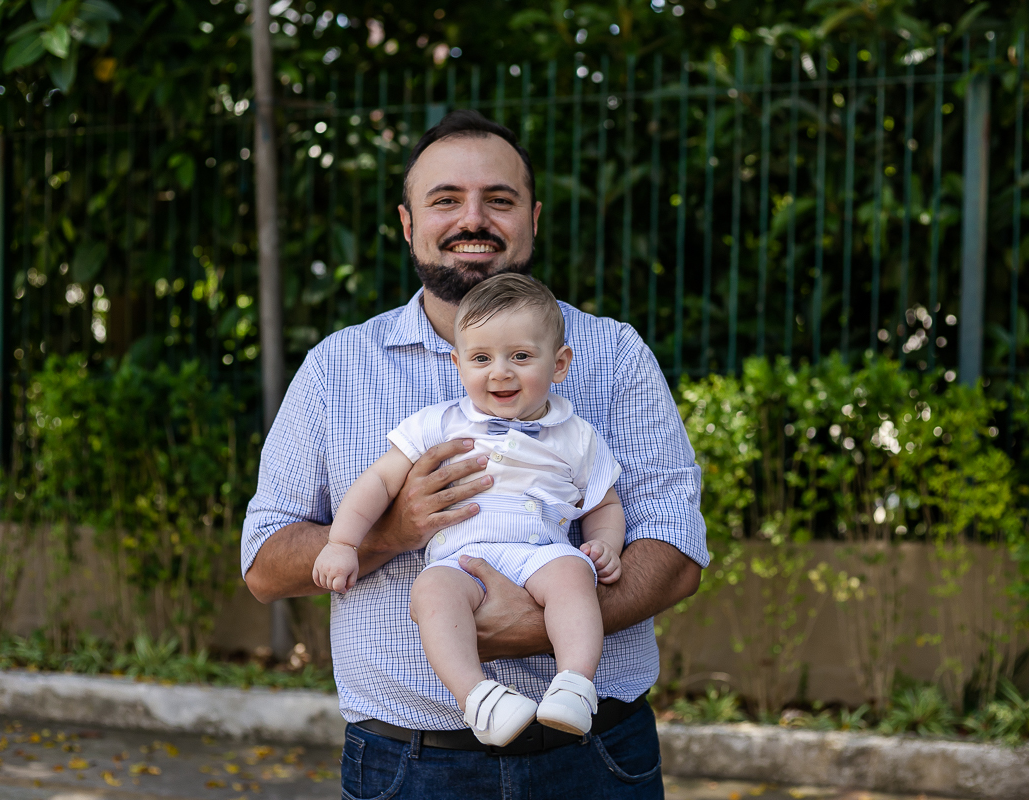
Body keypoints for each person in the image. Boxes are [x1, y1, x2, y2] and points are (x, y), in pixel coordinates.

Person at [242, 109, 707, 800]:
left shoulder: (613, 354)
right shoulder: (337, 367)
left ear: (533, 219)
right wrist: (394, 529)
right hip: (408, 765)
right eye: (445, 200)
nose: (473, 219)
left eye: (499, 199)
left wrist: (537, 625)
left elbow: (677, 550)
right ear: (407, 224)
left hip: (598, 756)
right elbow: (263, 565)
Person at [313, 274, 627, 746]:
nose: (500, 372)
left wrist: (605, 543)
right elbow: (378, 481)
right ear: (458, 365)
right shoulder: (440, 423)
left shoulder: (576, 434)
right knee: (432, 592)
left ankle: (574, 686)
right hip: (460, 559)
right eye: (482, 359)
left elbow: (604, 502)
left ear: (559, 364)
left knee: (575, 576)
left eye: (520, 356)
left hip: (542, 552)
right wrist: (342, 542)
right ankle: (479, 698)